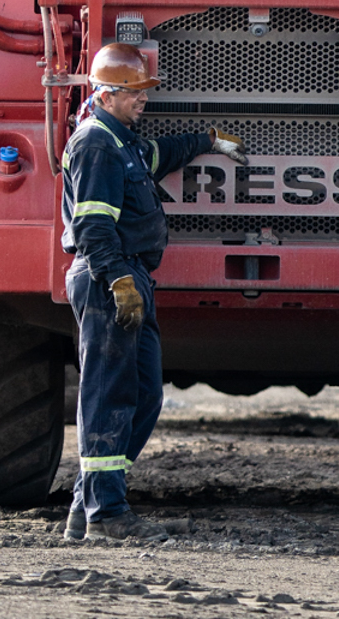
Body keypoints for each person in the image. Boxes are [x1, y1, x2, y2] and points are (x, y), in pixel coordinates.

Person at [61, 43, 249, 541]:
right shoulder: (95, 145)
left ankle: (89, 501)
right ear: (106, 93)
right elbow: (94, 226)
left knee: (144, 392)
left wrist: (207, 139)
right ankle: (106, 514)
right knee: (109, 391)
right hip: (110, 277)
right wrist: (119, 279)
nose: (142, 99)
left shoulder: (122, 142)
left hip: (131, 277)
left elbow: (159, 154)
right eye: (133, 92)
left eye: (143, 90)